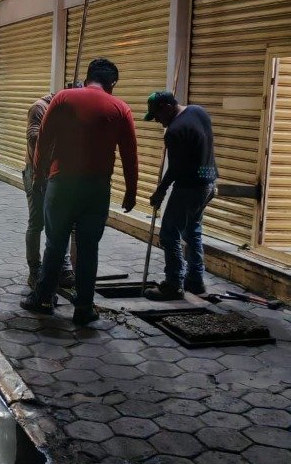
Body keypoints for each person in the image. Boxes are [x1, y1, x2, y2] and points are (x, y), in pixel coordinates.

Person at [20, 58, 138, 325]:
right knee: (88, 248)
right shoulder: (120, 108)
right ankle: (84, 307)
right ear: (112, 84)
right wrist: (131, 192)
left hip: (61, 184)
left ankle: (43, 299)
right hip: (96, 189)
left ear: (87, 78)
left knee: (55, 244)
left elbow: (44, 141)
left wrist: (39, 176)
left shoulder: (62, 99)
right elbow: (130, 155)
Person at [142, 90, 218, 299]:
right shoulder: (198, 111)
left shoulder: (175, 130)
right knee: (192, 230)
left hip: (189, 187)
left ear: (166, 107)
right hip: (209, 180)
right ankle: (196, 281)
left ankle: (174, 284)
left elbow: (175, 168)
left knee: (169, 233)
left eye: (157, 116)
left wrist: (160, 190)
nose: (158, 121)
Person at [23, 88, 77, 291]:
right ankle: (34, 269)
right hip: (36, 171)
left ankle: (63, 268)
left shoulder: (70, 110)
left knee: (61, 222)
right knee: (37, 222)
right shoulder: (40, 108)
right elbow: (34, 138)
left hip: (59, 174)